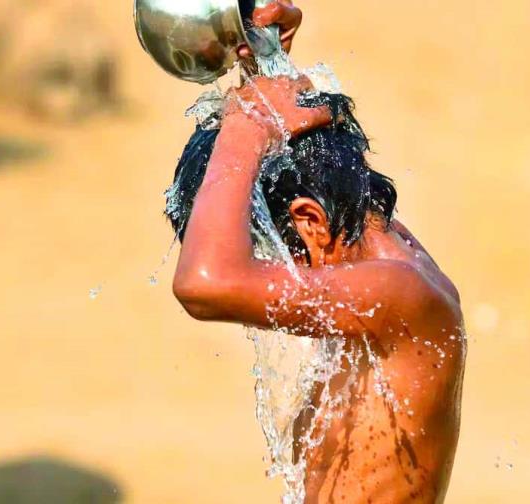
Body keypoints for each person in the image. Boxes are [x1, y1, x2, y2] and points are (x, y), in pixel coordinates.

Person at [167, 2, 465, 502]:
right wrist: (267, 63)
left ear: (309, 224)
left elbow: (204, 282)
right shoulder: (378, 250)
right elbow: (320, 153)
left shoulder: (401, 298)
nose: (265, 285)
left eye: (262, 256)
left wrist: (248, 127)